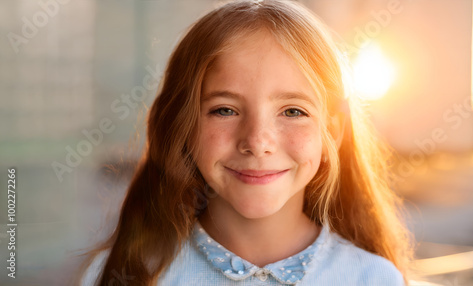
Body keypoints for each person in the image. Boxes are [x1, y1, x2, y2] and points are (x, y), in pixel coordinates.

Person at [80, 0, 413, 285]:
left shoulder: (372, 278)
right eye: (224, 110)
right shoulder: (126, 275)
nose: (257, 142)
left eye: (293, 111)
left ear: (333, 132)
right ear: (183, 127)